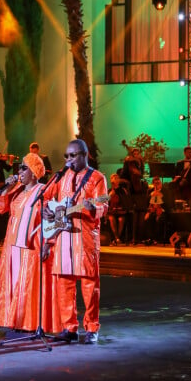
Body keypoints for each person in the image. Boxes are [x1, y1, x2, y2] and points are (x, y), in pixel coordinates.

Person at [0, 152, 62, 335]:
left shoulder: (44, 191)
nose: (19, 171)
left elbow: (54, 218)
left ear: (34, 172)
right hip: (12, 246)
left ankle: (29, 321)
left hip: (32, 245)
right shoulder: (17, 192)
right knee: (13, 282)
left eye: (24, 168)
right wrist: (7, 187)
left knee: (27, 284)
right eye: (20, 167)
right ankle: (14, 319)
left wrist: (49, 243)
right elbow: (0, 208)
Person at [42, 138, 108, 344]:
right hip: (62, 239)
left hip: (85, 239)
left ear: (85, 155)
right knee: (64, 285)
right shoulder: (60, 177)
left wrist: (92, 208)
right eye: (66, 156)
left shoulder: (97, 178)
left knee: (89, 287)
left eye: (73, 155)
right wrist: (46, 210)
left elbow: (103, 206)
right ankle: (69, 328)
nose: (69, 159)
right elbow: (46, 197)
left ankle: (92, 328)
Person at [120, 147, 147, 244]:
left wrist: (141, 163)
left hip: (138, 189)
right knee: (133, 216)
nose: (136, 154)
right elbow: (125, 173)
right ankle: (132, 238)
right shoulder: (129, 162)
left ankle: (138, 238)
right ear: (132, 154)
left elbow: (141, 174)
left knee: (139, 215)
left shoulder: (139, 164)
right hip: (131, 189)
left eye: (138, 152)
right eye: (134, 153)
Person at [107, 172, 129, 245]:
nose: (114, 179)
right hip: (112, 210)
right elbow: (106, 200)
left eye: (116, 178)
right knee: (111, 219)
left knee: (120, 220)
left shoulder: (123, 190)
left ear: (118, 180)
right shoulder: (109, 190)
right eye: (113, 178)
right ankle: (117, 238)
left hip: (120, 210)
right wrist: (111, 193)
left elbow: (125, 200)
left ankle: (117, 238)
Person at [144, 176, 167, 245]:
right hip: (153, 209)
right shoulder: (150, 191)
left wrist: (161, 196)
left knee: (159, 219)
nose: (157, 184)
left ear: (160, 183)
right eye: (155, 183)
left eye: (158, 182)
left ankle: (158, 239)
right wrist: (151, 195)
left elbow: (168, 203)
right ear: (153, 184)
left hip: (162, 210)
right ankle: (151, 238)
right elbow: (147, 203)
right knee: (148, 218)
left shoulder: (165, 191)